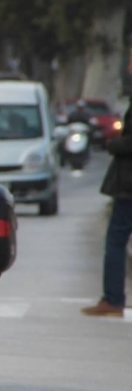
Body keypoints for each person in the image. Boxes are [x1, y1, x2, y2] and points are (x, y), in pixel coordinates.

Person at [80, 56, 132, 317]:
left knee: (115, 240)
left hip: (128, 186)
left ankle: (112, 299)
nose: (129, 66)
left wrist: (114, 143)